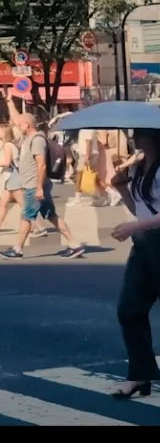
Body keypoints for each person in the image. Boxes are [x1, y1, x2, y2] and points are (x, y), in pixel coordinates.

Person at [108, 127, 160, 399]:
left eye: (141, 133)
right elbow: (139, 209)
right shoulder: (139, 168)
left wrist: (135, 226)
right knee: (129, 310)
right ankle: (140, 375)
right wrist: (121, 189)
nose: (135, 137)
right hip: (144, 247)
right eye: (134, 133)